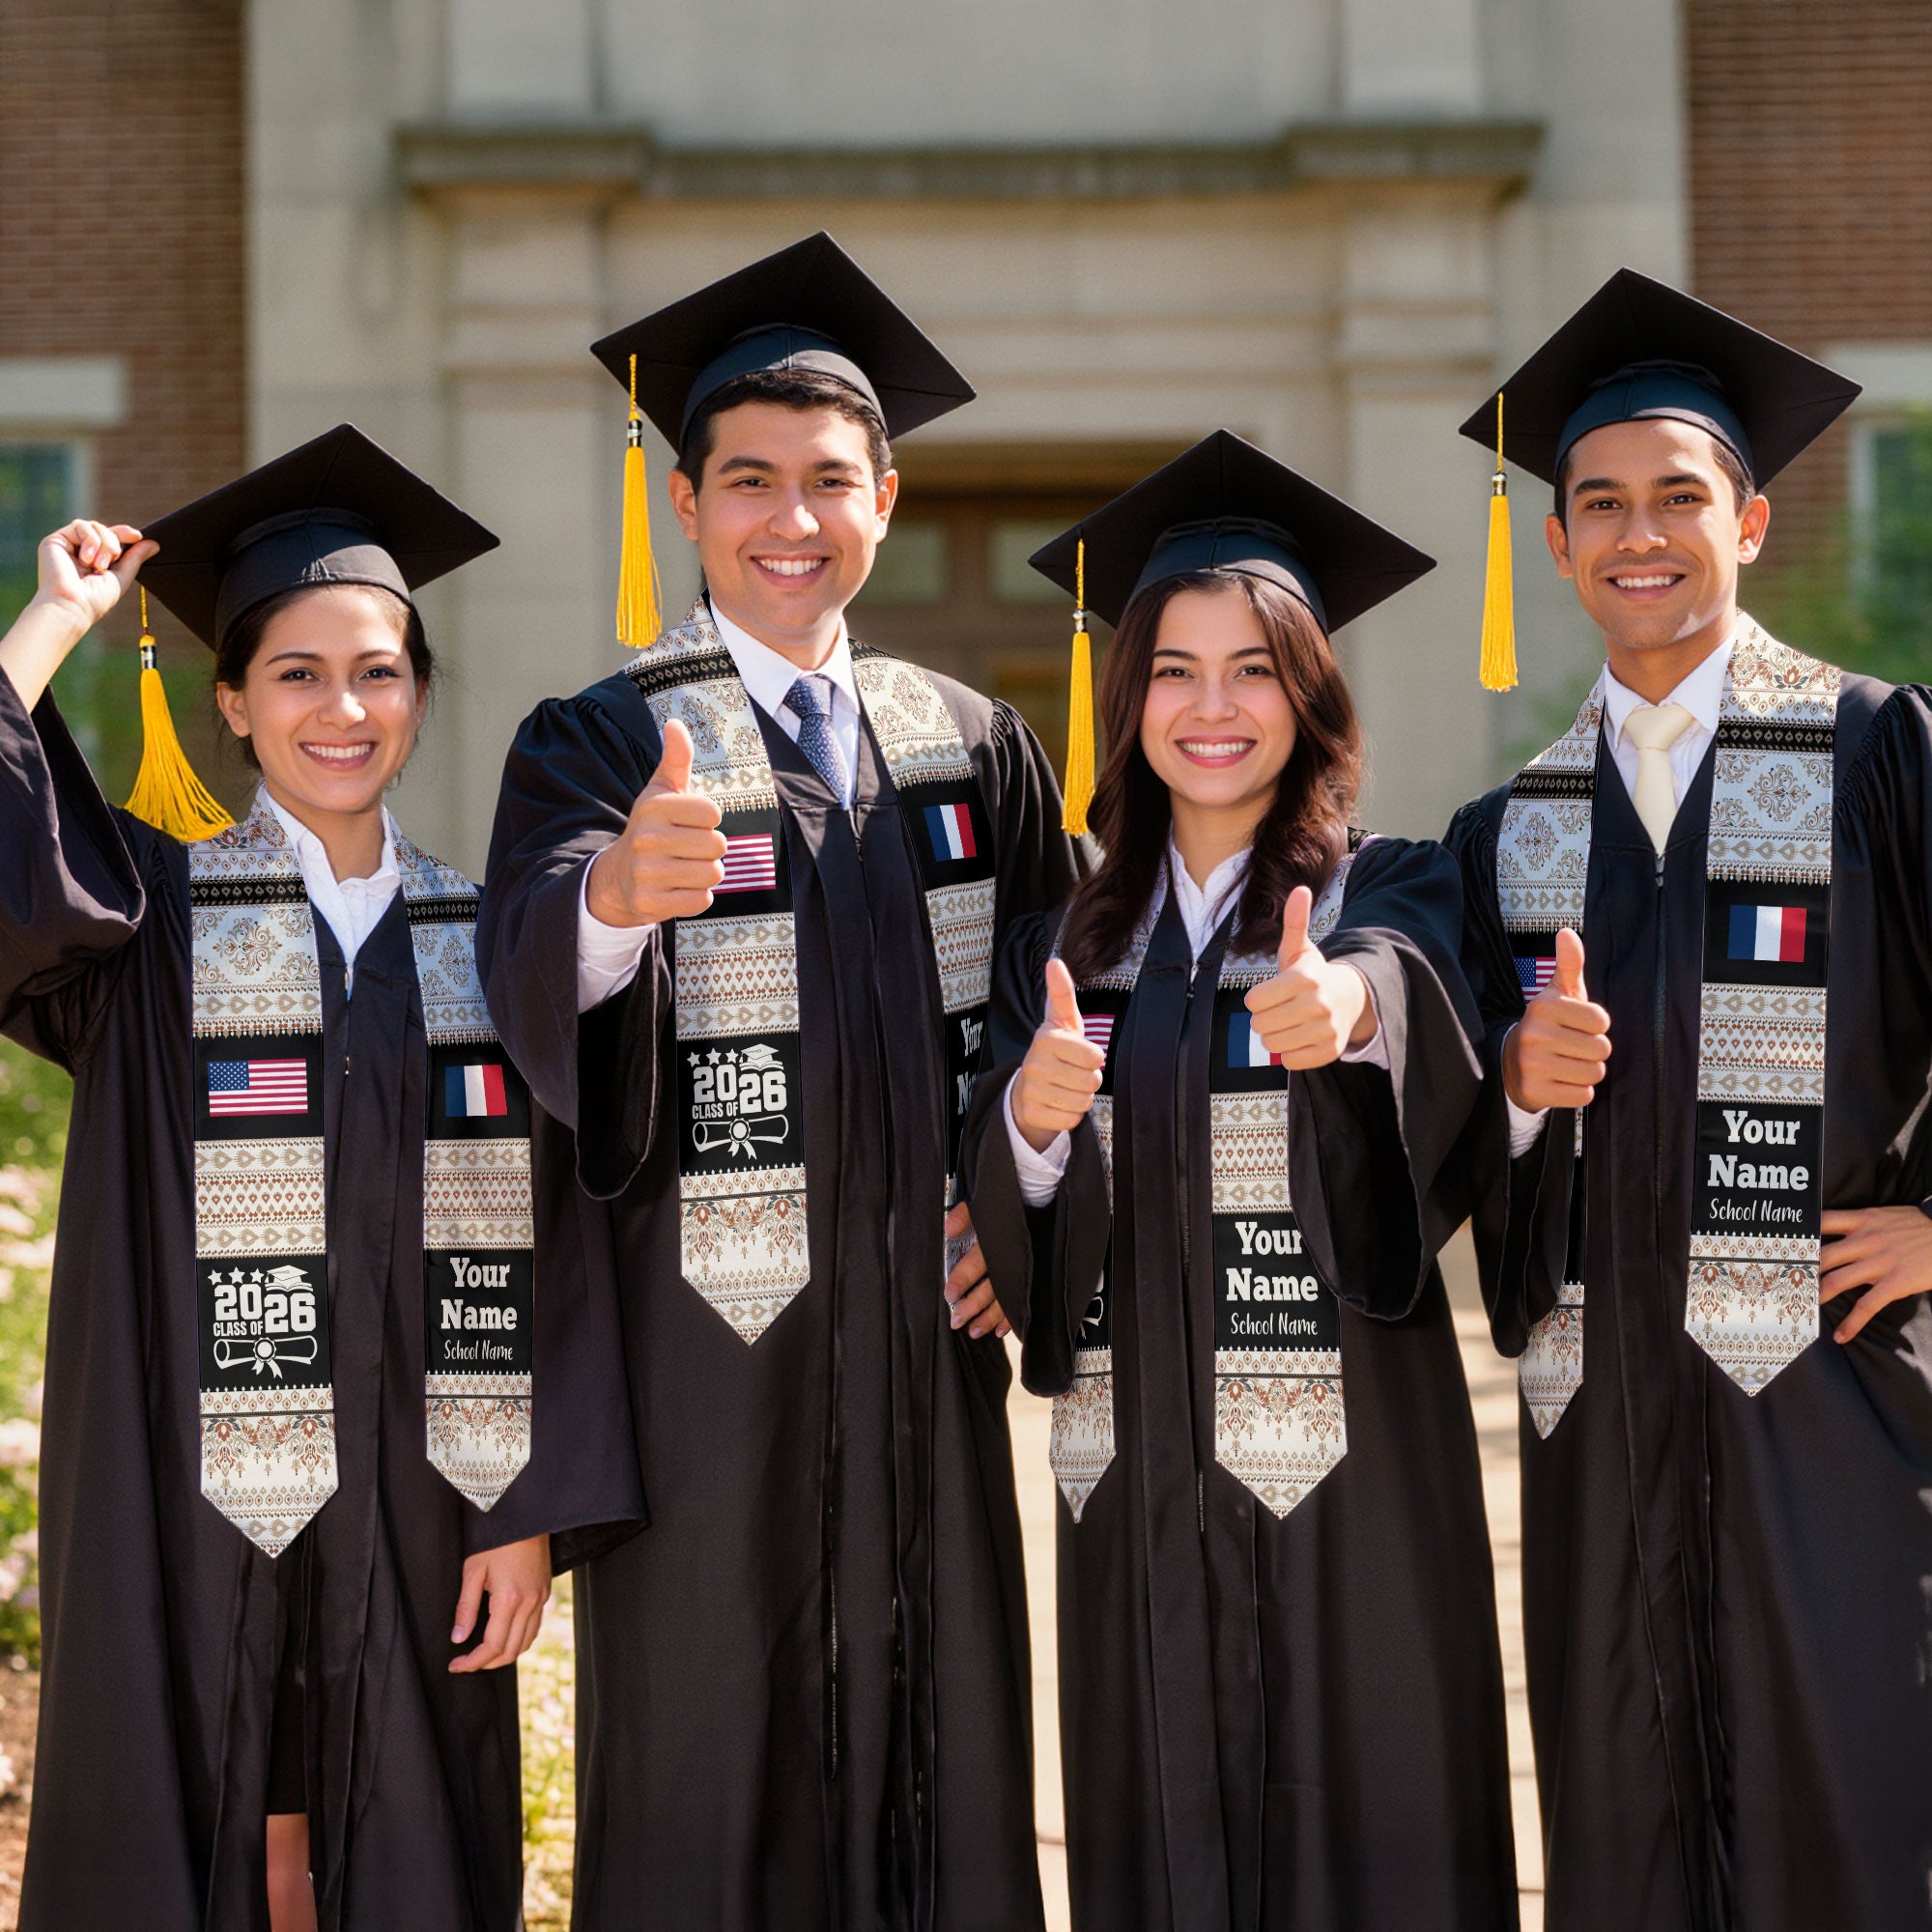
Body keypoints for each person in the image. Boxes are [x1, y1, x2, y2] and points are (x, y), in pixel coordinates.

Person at [477, 233, 1081, 1931]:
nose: (790, 518)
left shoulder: (971, 743)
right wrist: (612, 899)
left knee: (941, 1757)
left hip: (925, 1361)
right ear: (685, 504)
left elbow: (1068, 1001)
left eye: (829, 480)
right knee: (710, 1772)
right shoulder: (602, 739)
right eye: (749, 481)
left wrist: (1019, 1202)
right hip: (707, 1373)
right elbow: (526, 957)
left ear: (886, 498)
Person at [0, 425, 641, 1932]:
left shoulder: (491, 940)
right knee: (196, 1812)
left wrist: (525, 1508)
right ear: (231, 701)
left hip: (426, 1494)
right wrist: (53, 622)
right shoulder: (149, 923)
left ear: (418, 693)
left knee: (405, 1836)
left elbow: (564, 1244)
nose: (341, 709)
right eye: (296, 673)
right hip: (182, 1486)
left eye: (378, 672)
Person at [961, 431, 1518, 1931]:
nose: (1213, 709)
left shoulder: (1389, 884)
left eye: (1254, 670)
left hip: (1351, 1475)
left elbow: (1409, 989)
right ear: (1125, 697)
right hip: (1134, 1476)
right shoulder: (1062, 946)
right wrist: (1030, 1126)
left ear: (1310, 693)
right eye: (1175, 671)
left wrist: (1349, 1010)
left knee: (1373, 1832)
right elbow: (1011, 1207)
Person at [1445, 270, 1932, 1931]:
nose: (1638, 534)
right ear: (1557, 542)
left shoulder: (1877, 754)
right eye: (1599, 504)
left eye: (1678, 498)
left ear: (1753, 522)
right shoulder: (1512, 830)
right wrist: (1516, 1093)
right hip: (1606, 1429)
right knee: (1628, 1828)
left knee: (1855, 1815)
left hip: (1835, 1400)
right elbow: (1453, 1138)